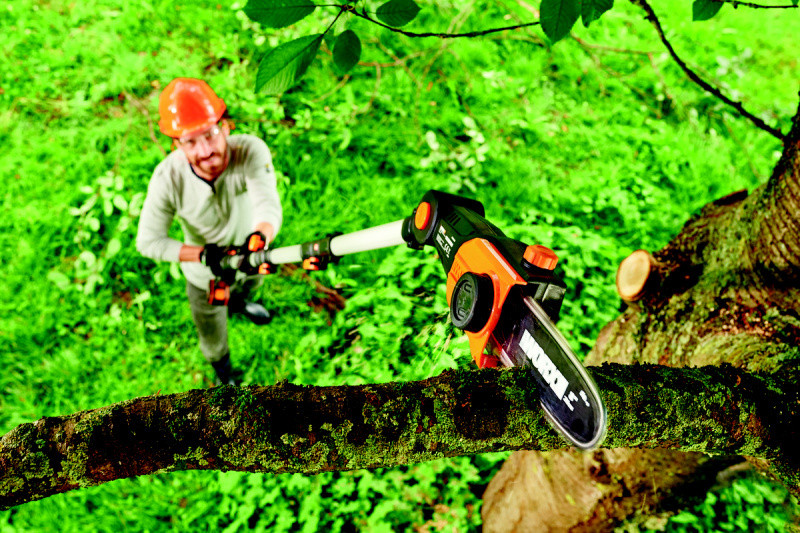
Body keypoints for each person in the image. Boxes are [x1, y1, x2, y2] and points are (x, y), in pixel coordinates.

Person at [136, 77, 282, 386]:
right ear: (177, 144)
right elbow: (148, 241)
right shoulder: (168, 179)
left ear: (225, 126)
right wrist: (202, 255)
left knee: (249, 285)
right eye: (190, 142)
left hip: (251, 257)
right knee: (212, 332)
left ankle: (241, 303)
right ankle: (223, 372)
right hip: (205, 275)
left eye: (210, 134)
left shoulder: (250, 151)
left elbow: (267, 205)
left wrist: (259, 238)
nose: (205, 151)